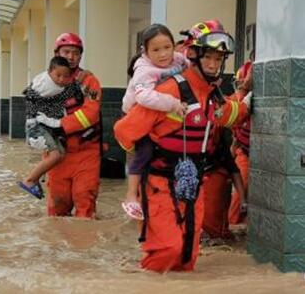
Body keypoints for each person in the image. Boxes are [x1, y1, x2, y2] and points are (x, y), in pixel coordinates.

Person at [113, 20, 251, 272]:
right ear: (193, 55)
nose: (213, 64)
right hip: (159, 182)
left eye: (219, 59)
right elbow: (124, 131)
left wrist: (247, 96)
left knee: (188, 254)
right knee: (168, 250)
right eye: (208, 57)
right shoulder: (169, 90)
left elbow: (231, 114)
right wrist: (144, 156)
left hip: (193, 183)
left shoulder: (212, 94)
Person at [121, 23, 189, 220]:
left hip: (160, 115)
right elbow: (143, 98)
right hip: (137, 115)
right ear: (146, 52)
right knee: (145, 152)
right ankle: (131, 195)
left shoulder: (177, 59)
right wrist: (173, 103)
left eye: (167, 47)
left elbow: (191, 68)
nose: (163, 54)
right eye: (156, 50)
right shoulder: (143, 69)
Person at [33, 32, 102, 218]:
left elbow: (91, 113)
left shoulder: (89, 81)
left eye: (75, 53)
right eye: (66, 52)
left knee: (85, 204)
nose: (71, 57)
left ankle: (83, 244)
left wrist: (59, 124)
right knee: (56, 208)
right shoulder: (44, 82)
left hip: (86, 153)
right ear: (57, 53)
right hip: (58, 155)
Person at [18, 56, 84, 199]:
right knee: (54, 155)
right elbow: (29, 95)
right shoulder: (44, 84)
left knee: (60, 155)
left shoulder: (59, 84)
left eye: (65, 76)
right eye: (58, 75)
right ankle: (29, 180)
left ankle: (36, 179)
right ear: (49, 72)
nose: (61, 79)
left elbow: (71, 88)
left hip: (47, 124)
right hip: (37, 125)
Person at [228, 50, 254, 224]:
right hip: (243, 151)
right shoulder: (238, 99)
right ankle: (232, 224)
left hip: (256, 152)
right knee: (240, 191)